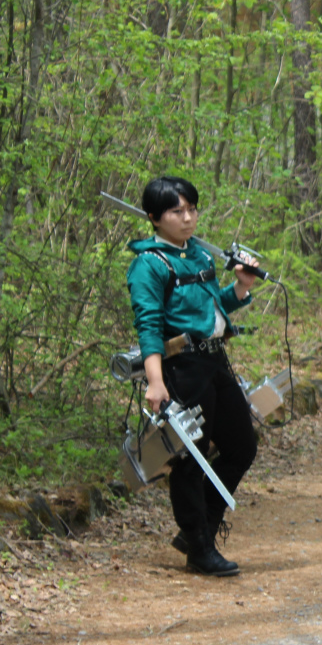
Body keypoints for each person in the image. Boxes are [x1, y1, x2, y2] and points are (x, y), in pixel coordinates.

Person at [125, 176, 259, 577]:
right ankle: (199, 547)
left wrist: (241, 287)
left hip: (215, 361)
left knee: (241, 446)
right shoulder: (149, 264)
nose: (187, 218)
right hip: (180, 369)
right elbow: (148, 327)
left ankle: (198, 529)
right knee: (189, 459)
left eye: (192, 209)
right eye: (176, 212)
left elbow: (212, 310)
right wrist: (155, 382)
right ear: (154, 217)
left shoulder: (199, 257)